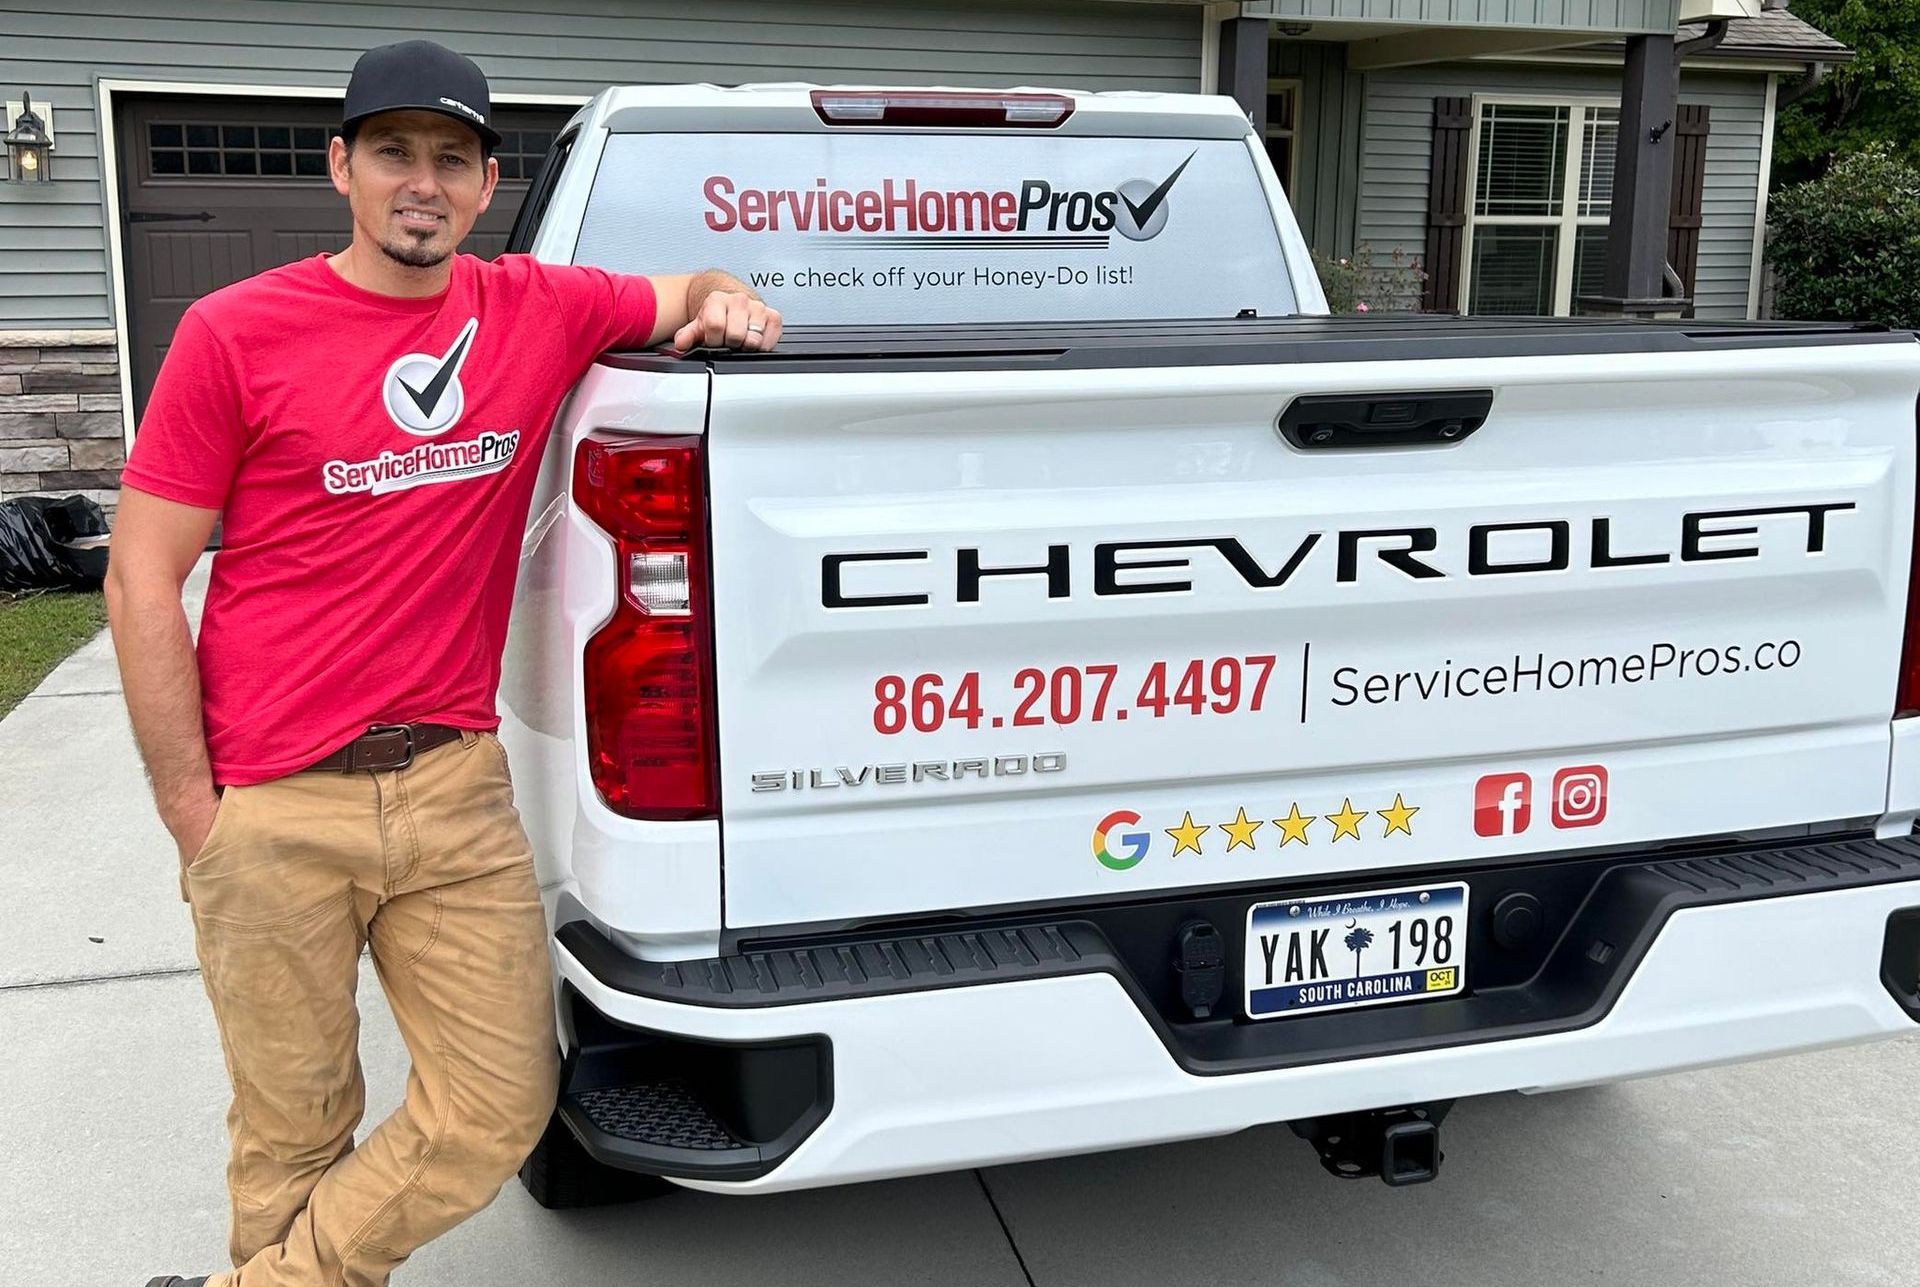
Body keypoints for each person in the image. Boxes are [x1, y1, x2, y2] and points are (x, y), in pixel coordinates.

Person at [108, 40, 780, 1287]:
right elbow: (142, 578)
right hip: (271, 802)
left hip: (453, 793)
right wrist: (195, 815)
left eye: (451, 158)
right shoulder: (232, 334)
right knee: (292, 1131)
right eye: (393, 152)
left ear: (483, 186)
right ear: (341, 170)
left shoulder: (539, 307)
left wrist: (727, 294)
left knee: (495, 1106)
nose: (423, 181)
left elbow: (685, 284)